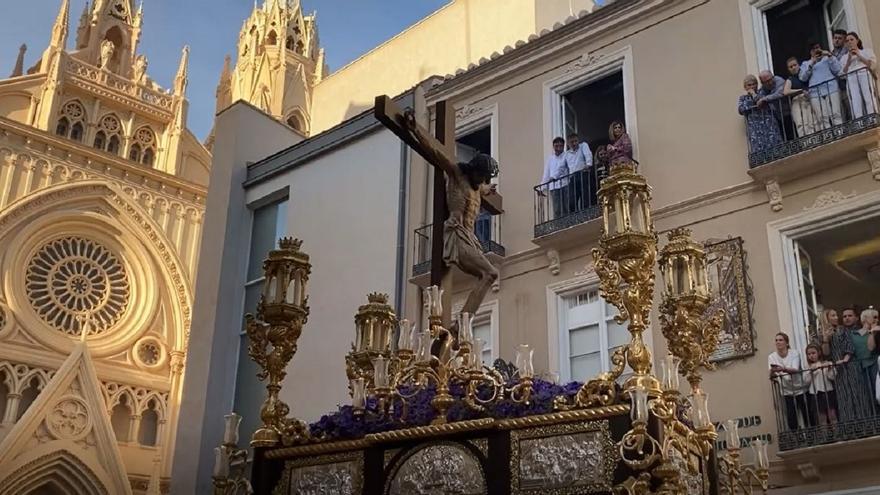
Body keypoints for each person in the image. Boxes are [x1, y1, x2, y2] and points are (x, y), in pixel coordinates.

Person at [822, 308, 873, 421]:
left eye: (836, 315)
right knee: (844, 398)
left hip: (850, 366)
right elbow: (826, 353)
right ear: (827, 318)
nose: (837, 317)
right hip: (839, 370)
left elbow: (850, 347)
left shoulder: (843, 330)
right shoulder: (826, 333)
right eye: (833, 315)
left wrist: (845, 359)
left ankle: (865, 424)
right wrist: (825, 339)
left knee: (858, 394)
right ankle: (850, 427)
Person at [800, 41, 843, 129]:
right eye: (814, 49)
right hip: (815, 93)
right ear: (810, 52)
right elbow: (803, 78)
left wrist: (830, 55)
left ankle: (840, 134)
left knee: (836, 113)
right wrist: (812, 63)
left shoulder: (827, 59)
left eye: (818, 48)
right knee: (822, 118)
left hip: (831, 88)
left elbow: (837, 69)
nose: (816, 50)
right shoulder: (806, 63)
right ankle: (829, 138)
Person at [769, 333, 808, 430]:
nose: (778, 342)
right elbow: (772, 372)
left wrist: (782, 369)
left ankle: (811, 436)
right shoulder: (772, 357)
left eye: (781, 340)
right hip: (786, 390)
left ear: (786, 343)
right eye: (776, 340)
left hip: (800, 388)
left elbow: (795, 369)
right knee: (791, 416)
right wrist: (772, 373)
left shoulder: (794, 353)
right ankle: (796, 438)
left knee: (807, 414)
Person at [738, 74, 783, 153]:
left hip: (769, 124)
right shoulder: (743, 98)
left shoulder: (763, 92)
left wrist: (754, 95)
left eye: (754, 84)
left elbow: (763, 101)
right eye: (749, 85)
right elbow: (741, 110)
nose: (752, 87)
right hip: (755, 128)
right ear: (745, 87)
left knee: (775, 147)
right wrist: (752, 99)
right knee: (760, 150)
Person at [841, 32, 877, 119]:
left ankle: (873, 119)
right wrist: (849, 59)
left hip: (864, 74)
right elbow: (843, 73)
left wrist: (858, 55)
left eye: (852, 39)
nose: (849, 42)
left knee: (869, 97)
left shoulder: (866, 51)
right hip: (851, 78)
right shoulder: (844, 57)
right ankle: (859, 122)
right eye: (847, 40)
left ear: (857, 40)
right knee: (855, 101)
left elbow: (871, 65)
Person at [803, 343, 838, 426]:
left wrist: (829, 368)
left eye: (813, 353)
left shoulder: (826, 363)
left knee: (832, 415)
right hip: (816, 394)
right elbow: (806, 381)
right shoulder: (807, 367)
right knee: (822, 419)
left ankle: (837, 435)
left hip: (828, 392)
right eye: (809, 354)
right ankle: (825, 437)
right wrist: (812, 371)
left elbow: (832, 377)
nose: (811, 356)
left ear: (819, 353)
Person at [784, 57, 816, 137]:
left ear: (799, 65)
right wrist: (800, 91)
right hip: (797, 101)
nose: (793, 68)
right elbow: (786, 91)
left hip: (808, 99)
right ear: (788, 69)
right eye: (790, 67)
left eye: (795, 65)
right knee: (801, 123)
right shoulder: (790, 79)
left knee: (813, 121)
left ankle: (814, 140)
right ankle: (805, 143)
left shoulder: (805, 75)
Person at [540, 137, 570, 220]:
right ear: (553, 147)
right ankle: (559, 226)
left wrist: (554, 177)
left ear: (563, 146)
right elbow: (546, 173)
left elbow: (562, 167)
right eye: (556, 146)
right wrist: (542, 187)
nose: (558, 148)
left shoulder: (566, 155)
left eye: (560, 146)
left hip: (565, 184)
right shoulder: (550, 158)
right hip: (554, 187)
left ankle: (567, 223)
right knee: (557, 209)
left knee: (567, 207)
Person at [564, 133, 593, 212]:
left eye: (575, 141)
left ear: (578, 141)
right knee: (572, 200)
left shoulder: (583, 146)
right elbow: (564, 167)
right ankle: (574, 216)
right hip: (572, 177)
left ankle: (585, 213)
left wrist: (588, 164)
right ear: (568, 143)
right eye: (571, 142)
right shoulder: (566, 154)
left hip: (583, 173)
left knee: (585, 196)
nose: (574, 143)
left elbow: (588, 155)